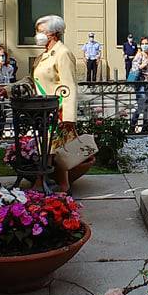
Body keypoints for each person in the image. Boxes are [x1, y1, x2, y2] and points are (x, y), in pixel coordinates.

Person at [32, 15, 92, 190]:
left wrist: (68, 116)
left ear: (54, 33)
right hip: (42, 111)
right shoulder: (44, 55)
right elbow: (32, 80)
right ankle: (53, 184)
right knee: (51, 149)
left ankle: (47, 185)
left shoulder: (63, 53)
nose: (37, 35)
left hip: (55, 112)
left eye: (41, 31)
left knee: (53, 150)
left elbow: (69, 86)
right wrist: (9, 89)